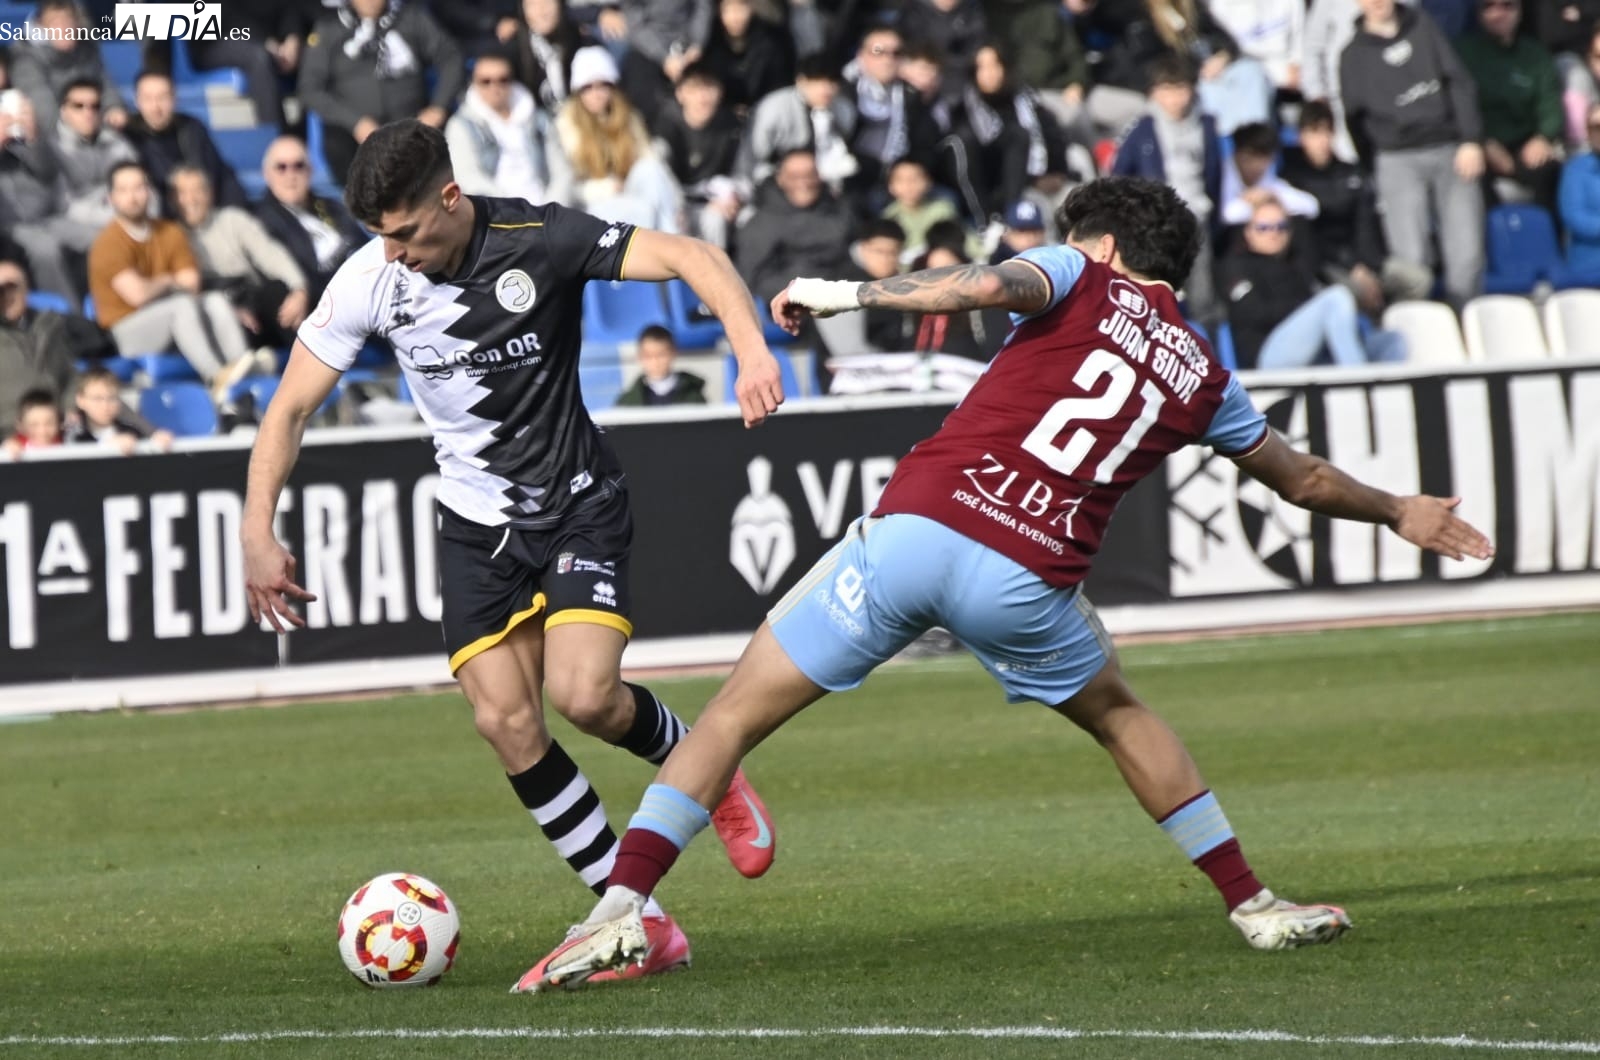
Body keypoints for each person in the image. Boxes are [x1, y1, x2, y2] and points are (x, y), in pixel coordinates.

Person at [518, 176, 1496, 989]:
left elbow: (980, 286)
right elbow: (1305, 478)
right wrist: (1398, 508)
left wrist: (849, 295)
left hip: (917, 531)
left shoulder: (1077, 272)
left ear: (1103, 244)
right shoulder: (1202, 370)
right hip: (1029, 575)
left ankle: (620, 909)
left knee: (729, 718)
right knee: (1119, 713)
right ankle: (1252, 903)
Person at [240, 119, 787, 992]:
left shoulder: (546, 238)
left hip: (577, 506)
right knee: (505, 721)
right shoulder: (370, 279)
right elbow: (290, 410)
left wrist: (748, 348)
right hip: (475, 526)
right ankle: (637, 923)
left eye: (407, 233)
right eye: (380, 237)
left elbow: (692, 255)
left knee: (586, 698)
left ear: (450, 199)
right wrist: (256, 527)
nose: (396, 253)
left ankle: (709, 768)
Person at [1340, 0, 1486, 309]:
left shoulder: (1424, 26)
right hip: (1396, 159)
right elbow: (1355, 120)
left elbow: (1459, 81)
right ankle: (1417, 334)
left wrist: (1471, 139)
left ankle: (1467, 327)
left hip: (1452, 151)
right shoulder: (1352, 55)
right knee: (1412, 264)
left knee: (1468, 254)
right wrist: (1377, 165)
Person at [87, 162, 265, 397]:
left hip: (175, 320)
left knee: (214, 300)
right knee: (181, 306)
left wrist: (158, 284)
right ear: (111, 198)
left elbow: (192, 283)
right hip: (126, 330)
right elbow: (137, 295)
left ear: (149, 192)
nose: (133, 197)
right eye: (124, 190)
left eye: (139, 188)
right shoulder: (107, 244)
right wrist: (169, 280)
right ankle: (216, 378)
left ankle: (243, 369)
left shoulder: (169, 232)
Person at [298, 0, 465, 183]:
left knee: (450, 138)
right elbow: (310, 89)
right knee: (338, 147)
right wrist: (355, 123)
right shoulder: (329, 29)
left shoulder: (411, 18)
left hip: (411, 125)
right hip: (355, 133)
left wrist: (438, 107)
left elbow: (451, 57)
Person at [1217, 196, 1389, 370]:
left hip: (1311, 349)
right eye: (1263, 227)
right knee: (1336, 297)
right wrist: (1303, 306)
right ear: (1248, 233)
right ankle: (1357, 380)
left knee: (1392, 341)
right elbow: (1253, 313)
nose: (1274, 233)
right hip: (1267, 355)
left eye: (1281, 227)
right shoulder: (1235, 265)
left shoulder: (1296, 262)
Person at [171, 165, 311, 350]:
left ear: (210, 193)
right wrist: (229, 311)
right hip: (215, 309)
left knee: (279, 293)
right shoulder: (169, 235)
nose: (191, 199)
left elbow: (269, 253)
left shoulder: (232, 220)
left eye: (198, 190)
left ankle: (309, 359)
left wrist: (299, 288)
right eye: (183, 192)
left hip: (250, 296)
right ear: (173, 199)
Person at [556, 47, 686, 233]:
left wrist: (676, 203)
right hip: (590, 206)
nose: (596, 93)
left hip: (630, 191)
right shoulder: (566, 125)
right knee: (642, 211)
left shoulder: (628, 117)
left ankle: (672, 240)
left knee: (650, 170)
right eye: (588, 87)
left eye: (603, 85)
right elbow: (568, 184)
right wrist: (604, 188)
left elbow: (651, 161)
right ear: (578, 92)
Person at [1454, 0, 1565, 213]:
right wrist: (1481, 141)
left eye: (1507, 6)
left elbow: (1550, 104)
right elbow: (1457, 104)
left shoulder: (1535, 54)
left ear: (1520, 11)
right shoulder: (1463, 52)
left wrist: (1543, 137)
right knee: (1470, 173)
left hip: (1526, 143)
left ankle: (1545, 240)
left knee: (1549, 172)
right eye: (1489, 6)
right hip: (1483, 141)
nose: (1498, 13)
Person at [444, 47, 574, 205]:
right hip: (497, 215)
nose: (495, 87)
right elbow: (468, 178)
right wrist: (512, 211)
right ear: (474, 83)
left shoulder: (539, 120)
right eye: (486, 81)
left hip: (545, 210)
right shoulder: (461, 126)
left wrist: (550, 211)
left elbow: (562, 172)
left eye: (503, 80)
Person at [254, 136, 369, 305]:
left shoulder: (333, 207)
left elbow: (363, 246)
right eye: (281, 167)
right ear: (266, 174)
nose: (290, 175)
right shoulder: (262, 222)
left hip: (365, 289)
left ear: (310, 170)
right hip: (325, 304)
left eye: (298, 166)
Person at [124, 70, 251, 218]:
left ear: (174, 99)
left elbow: (220, 175)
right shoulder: (128, 137)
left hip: (204, 213)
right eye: (148, 99)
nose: (156, 107)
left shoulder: (192, 128)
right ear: (137, 101)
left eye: (163, 98)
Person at [64, 366, 175, 453]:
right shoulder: (73, 433)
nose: (105, 405)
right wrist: (106, 446)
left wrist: (157, 441)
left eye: (112, 398)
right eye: (97, 399)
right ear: (80, 400)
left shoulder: (131, 430)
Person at [616, 325, 708, 405]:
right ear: (640, 357)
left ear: (673, 353)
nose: (655, 361)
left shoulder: (694, 398)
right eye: (648, 355)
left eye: (661, 354)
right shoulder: (627, 402)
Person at [4, 388, 63, 458]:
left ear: (59, 422)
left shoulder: (65, 440)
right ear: (20, 426)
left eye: (50, 423)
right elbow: (9, 445)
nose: (42, 431)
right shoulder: (19, 444)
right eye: (34, 425)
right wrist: (9, 447)